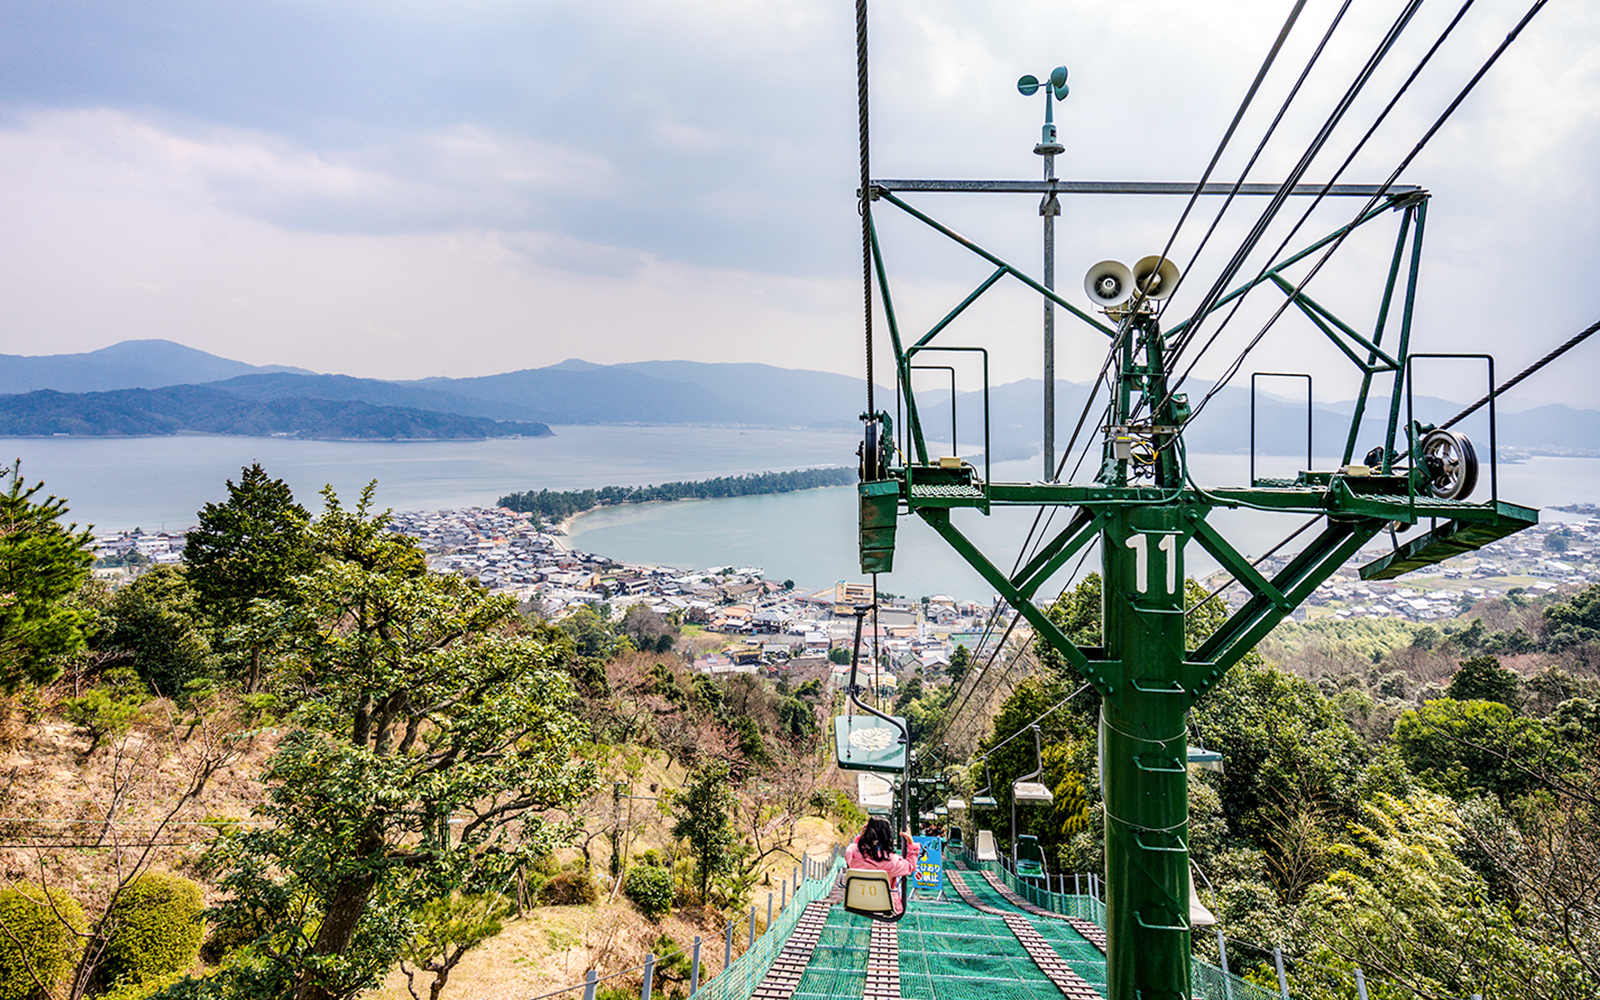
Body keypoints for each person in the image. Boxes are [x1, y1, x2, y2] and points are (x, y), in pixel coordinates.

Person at [845, 817, 920, 911]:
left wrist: (861, 838)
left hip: (855, 901)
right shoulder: (893, 862)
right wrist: (911, 843)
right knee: (897, 879)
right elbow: (911, 866)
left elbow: (855, 850)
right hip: (885, 905)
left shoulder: (852, 852)